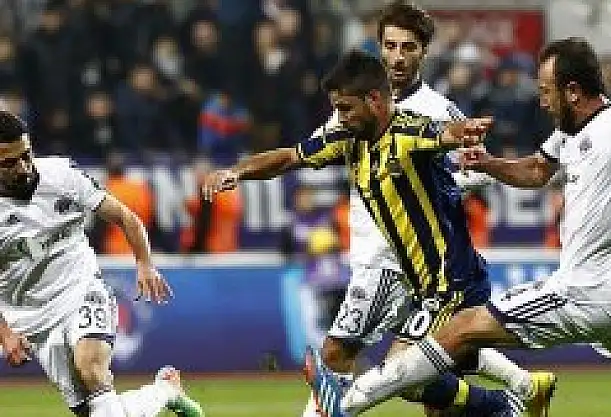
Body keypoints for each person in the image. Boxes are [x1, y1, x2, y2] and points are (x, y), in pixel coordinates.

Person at [316, 38, 611, 417]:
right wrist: (489, 164)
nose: (542, 102)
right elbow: (537, 171)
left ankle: (348, 402)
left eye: (546, 91)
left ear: (572, 91)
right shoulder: (569, 132)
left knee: (461, 327)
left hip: (587, 290)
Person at [203, 45, 555, 417]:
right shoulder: (347, 139)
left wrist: (461, 133)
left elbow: (440, 133)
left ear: (374, 100)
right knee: (422, 382)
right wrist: (236, 171)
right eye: (336, 109)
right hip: (421, 285)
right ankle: (507, 401)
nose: (340, 118)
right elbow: (291, 156)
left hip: (452, 281)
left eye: (345, 108)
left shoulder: (407, 131)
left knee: (403, 371)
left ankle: (342, 405)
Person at [0, 110, 203, 417]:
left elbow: (125, 217)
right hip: (33, 319)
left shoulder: (62, 175)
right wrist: (6, 333)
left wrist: (145, 264)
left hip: (82, 289)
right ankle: (164, 391)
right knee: (95, 412)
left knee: (91, 368)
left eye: (26, 155)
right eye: (9, 163)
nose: (24, 168)